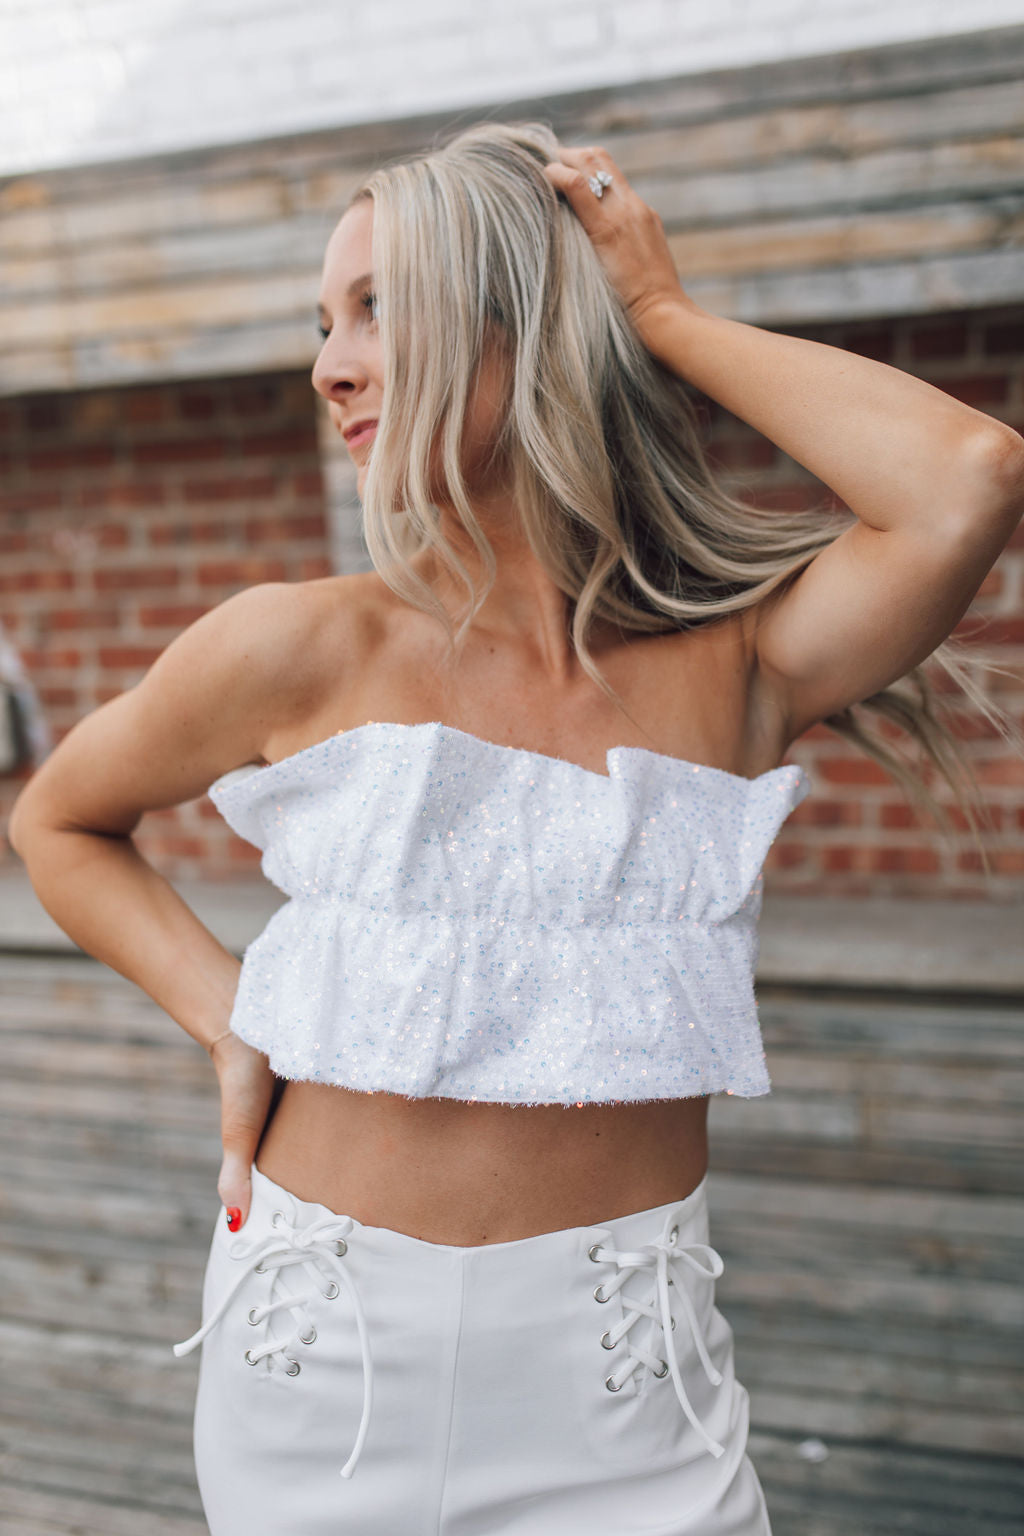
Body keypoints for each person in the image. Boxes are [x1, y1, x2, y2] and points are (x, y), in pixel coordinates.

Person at [7, 121, 1022, 1536]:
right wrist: (227, 1015)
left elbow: (966, 474)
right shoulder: (299, 646)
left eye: (376, 306)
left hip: (627, 1399)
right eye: (321, 320)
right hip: (320, 1360)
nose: (328, 363)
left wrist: (659, 315)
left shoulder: (739, 665)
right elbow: (60, 816)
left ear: (517, 323)